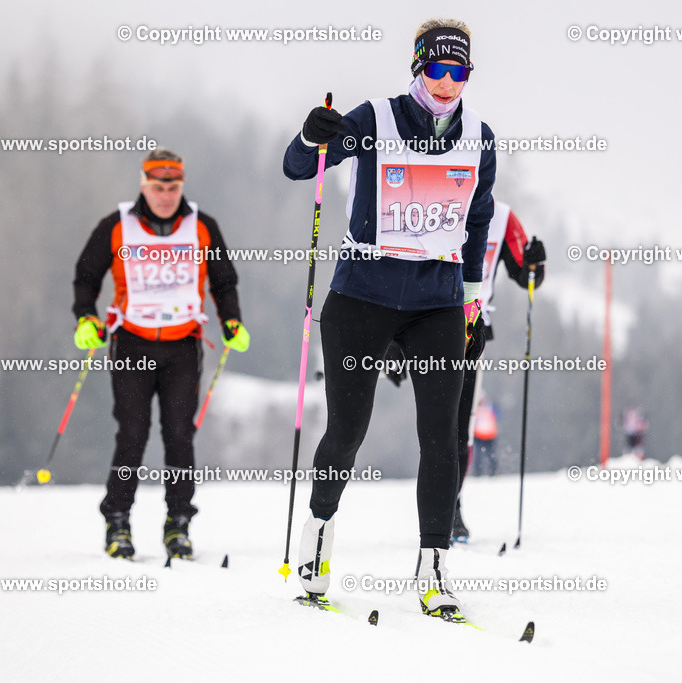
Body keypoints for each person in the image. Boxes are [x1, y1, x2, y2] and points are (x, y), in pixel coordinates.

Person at [283, 18, 496, 619]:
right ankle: (318, 540)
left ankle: (433, 569)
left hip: (436, 301)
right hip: (363, 298)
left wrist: (473, 295)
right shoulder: (376, 120)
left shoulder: (480, 136)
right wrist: (309, 136)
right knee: (348, 430)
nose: (449, 83)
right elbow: (300, 169)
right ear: (418, 68)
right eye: (438, 69)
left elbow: (478, 222)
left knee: (443, 437)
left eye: (460, 72)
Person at [72, 148, 250, 560]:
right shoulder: (116, 226)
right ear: (143, 185)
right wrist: (85, 318)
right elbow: (86, 276)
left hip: (183, 346)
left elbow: (224, 281)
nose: (166, 195)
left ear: (181, 186)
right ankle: (117, 520)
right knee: (132, 434)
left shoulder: (202, 226)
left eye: (173, 187)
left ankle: (178, 523)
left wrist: (232, 321)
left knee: (179, 436)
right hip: (132, 342)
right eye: (158, 187)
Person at [384, 200, 545, 543]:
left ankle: (449, 507)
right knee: (432, 423)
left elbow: (526, 273)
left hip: (470, 328)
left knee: (459, 429)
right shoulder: (435, 197)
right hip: (421, 320)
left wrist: (534, 264)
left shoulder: (502, 217)